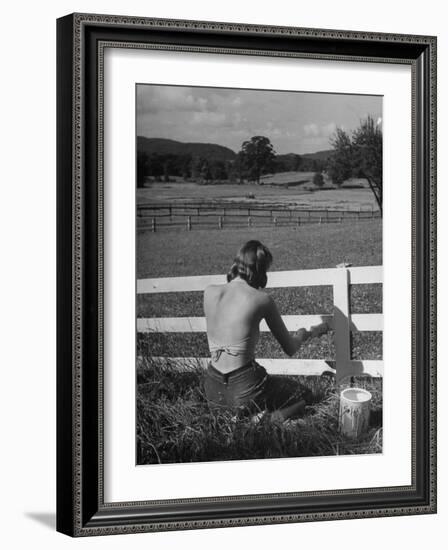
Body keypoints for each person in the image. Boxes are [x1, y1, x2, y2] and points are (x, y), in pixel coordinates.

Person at [202, 240, 329, 422]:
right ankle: (271, 419)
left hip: (213, 389)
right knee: (305, 395)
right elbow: (290, 348)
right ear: (260, 269)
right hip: (245, 387)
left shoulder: (209, 292)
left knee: (232, 403)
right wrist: (304, 334)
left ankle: (238, 416)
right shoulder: (262, 299)